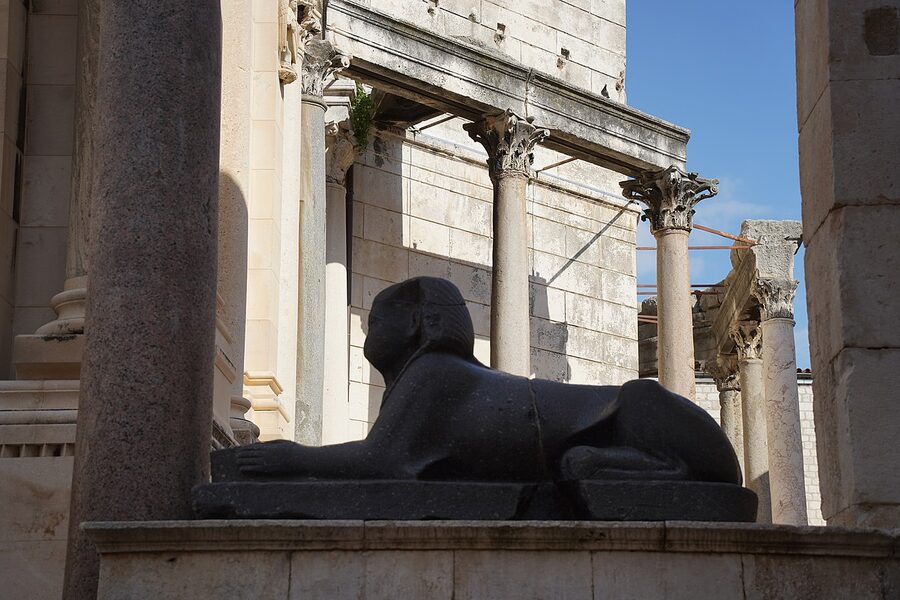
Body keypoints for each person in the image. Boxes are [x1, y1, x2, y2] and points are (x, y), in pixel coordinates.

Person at [235, 277, 741, 485]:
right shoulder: (428, 378)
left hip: (642, 423)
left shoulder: (434, 376)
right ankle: (629, 463)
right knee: (582, 459)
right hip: (605, 438)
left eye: (376, 321)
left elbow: (381, 462)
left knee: (635, 403)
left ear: (416, 322)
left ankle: (659, 467)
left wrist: (290, 457)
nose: (368, 330)